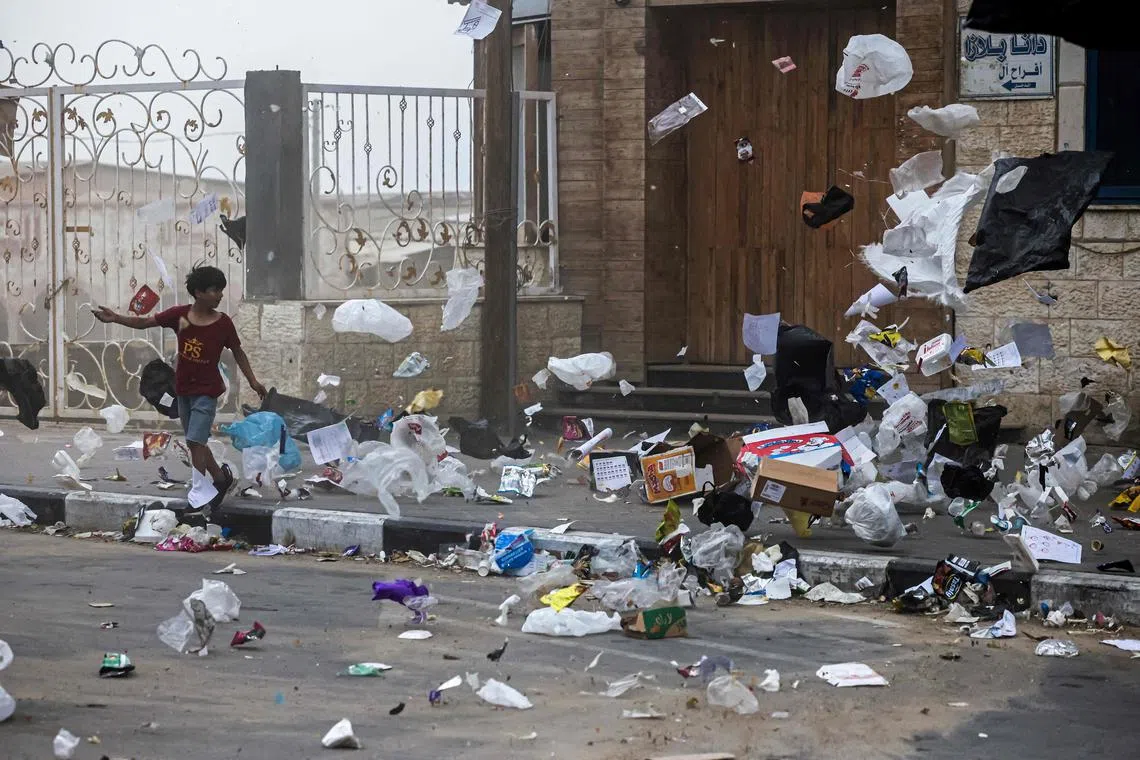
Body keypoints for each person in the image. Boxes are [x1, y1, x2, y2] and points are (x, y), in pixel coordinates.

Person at [93, 265, 267, 508]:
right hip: (183, 390)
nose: (220, 295)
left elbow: (238, 352)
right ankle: (220, 479)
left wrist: (253, 381)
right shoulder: (180, 316)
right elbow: (145, 323)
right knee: (196, 442)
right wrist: (116, 318)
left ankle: (198, 494)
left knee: (195, 441)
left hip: (207, 391)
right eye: (214, 290)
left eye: (221, 290)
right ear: (198, 292)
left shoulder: (223, 324)